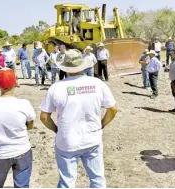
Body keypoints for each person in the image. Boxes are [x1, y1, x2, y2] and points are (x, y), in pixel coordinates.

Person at [39, 49, 118, 188]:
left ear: (65, 67)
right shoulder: (97, 83)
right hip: (92, 139)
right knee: (97, 180)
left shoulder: (56, 87)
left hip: (67, 141)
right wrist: (101, 125)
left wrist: (57, 130)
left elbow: (44, 117)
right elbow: (112, 109)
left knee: (67, 182)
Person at [0, 69, 36, 188]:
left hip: (0, 153)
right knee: (22, 185)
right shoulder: (24, 104)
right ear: (15, 83)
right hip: (22, 150)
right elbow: (30, 125)